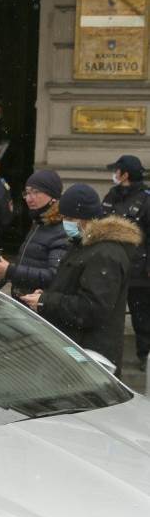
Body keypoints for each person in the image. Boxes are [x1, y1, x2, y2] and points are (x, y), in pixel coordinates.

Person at [19, 184, 141, 374]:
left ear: (85, 219)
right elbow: (76, 287)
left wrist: (46, 301)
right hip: (77, 349)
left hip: (91, 356)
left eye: (69, 218)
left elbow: (92, 308)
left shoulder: (105, 253)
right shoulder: (84, 245)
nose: (65, 223)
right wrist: (47, 295)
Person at [0, 169, 68, 299]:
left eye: (35, 192)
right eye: (27, 193)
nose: (28, 198)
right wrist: (2, 271)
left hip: (38, 307)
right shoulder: (39, 222)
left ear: (52, 195)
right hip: (24, 302)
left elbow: (54, 276)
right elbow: (30, 263)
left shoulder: (60, 229)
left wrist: (10, 270)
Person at [101, 155, 150, 371]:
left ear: (125, 174)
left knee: (142, 317)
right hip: (112, 267)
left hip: (139, 270)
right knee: (110, 315)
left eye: (117, 171)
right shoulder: (112, 195)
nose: (114, 174)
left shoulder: (146, 200)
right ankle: (108, 356)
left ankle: (145, 358)